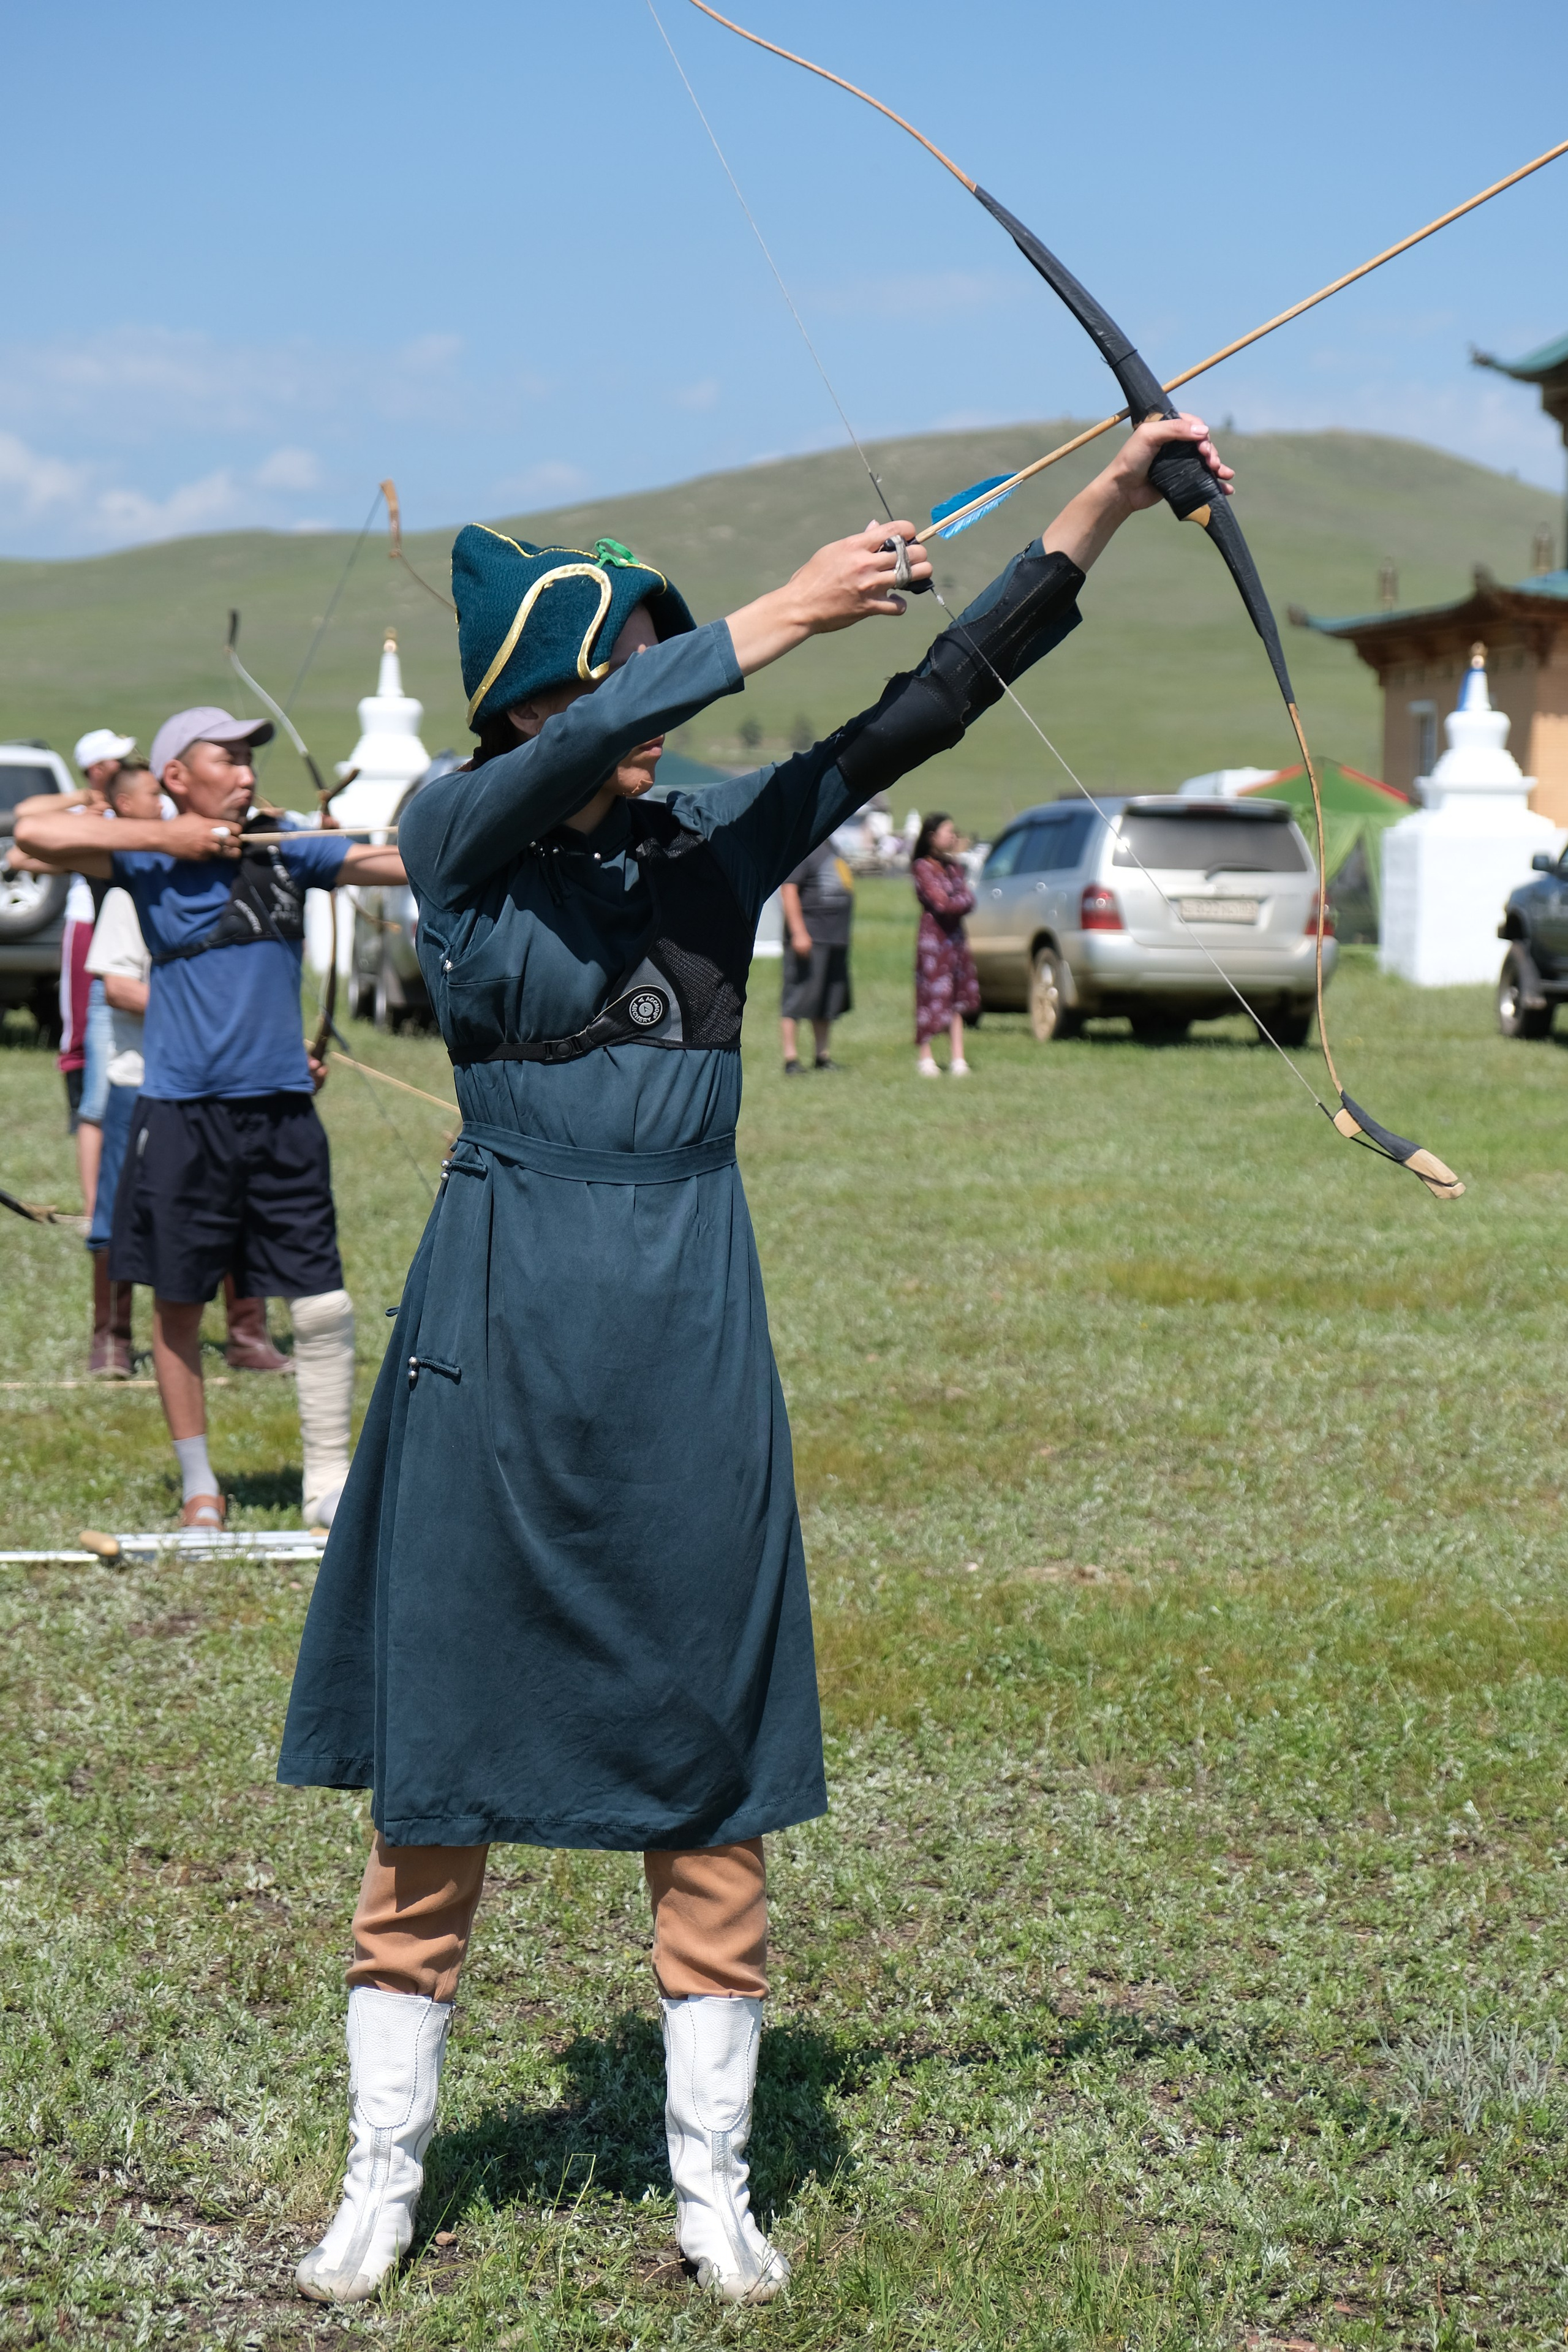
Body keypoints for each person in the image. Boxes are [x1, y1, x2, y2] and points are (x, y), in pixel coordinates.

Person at [273, 412, 1234, 2309]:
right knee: (436, 1776)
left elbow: (925, 708)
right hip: (494, 1324)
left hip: (689, 1325)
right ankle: (380, 2180)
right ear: (540, 692)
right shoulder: (454, 841)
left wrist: (1110, 499)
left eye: (660, 664)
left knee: (705, 1766)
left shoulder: (708, 837)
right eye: (618, 672)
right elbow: (546, 762)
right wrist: (789, 597)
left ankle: (710, 2190)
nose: (650, 708)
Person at [15, 707, 405, 1526]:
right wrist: (168, 838)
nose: (247, 772)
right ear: (177, 778)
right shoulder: (142, 860)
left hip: (282, 1113)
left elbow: (398, 865)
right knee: (180, 1301)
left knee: (324, 1302)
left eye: (249, 759)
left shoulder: (288, 848)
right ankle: (200, 1487)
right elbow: (30, 830)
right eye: (225, 759)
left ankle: (327, 1482)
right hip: (182, 1114)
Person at [80, 763, 296, 1379]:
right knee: (119, 1214)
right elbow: (120, 987)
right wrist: (201, 1005)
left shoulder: (248, 879)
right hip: (143, 1078)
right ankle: (112, 1338)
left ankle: (247, 1336)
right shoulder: (144, 875)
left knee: (241, 1206)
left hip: (226, 1082)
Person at [778, 834, 854, 1071]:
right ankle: (791, 1058)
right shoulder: (802, 848)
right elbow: (789, 889)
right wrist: (799, 933)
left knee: (826, 1000)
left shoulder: (831, 846)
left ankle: (822, 1056)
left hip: (834, 938)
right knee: (799, 996)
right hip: (811, 938)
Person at [912, 813, 980, 1077]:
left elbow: (969, 900)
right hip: (934, 942)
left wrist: (957, 901)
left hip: (955, 940)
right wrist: (957, 901)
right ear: (932, 836)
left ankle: (957, 1057)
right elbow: (941, 902)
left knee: (957, 997)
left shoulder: (954, 867)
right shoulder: (922, 867)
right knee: (930, 995)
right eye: (947, 831)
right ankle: (926, 1056)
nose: (952, 836)